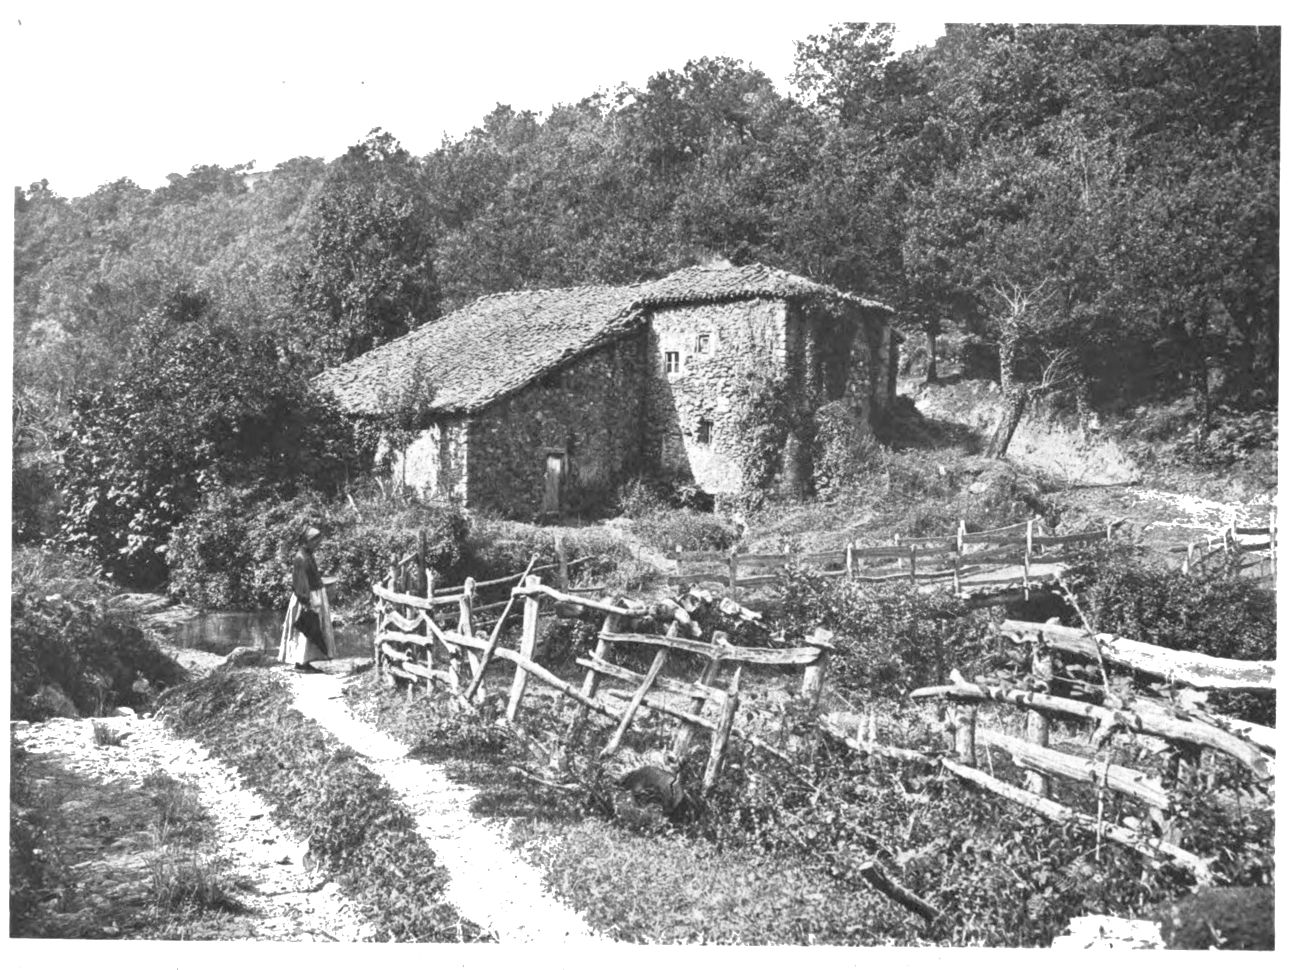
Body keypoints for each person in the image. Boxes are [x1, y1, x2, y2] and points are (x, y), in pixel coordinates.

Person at [278, 526, 336, 671]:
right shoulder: (301, 558)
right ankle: (301, 662)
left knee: (313, 627)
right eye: (315, 541)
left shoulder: (307, 554)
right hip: (306, 597)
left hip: (313, 595)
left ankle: (306, 661)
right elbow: (300, 583)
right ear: (307, 541)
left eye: (318, 541)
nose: (317, 545)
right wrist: (306, 602)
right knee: (307, 626)